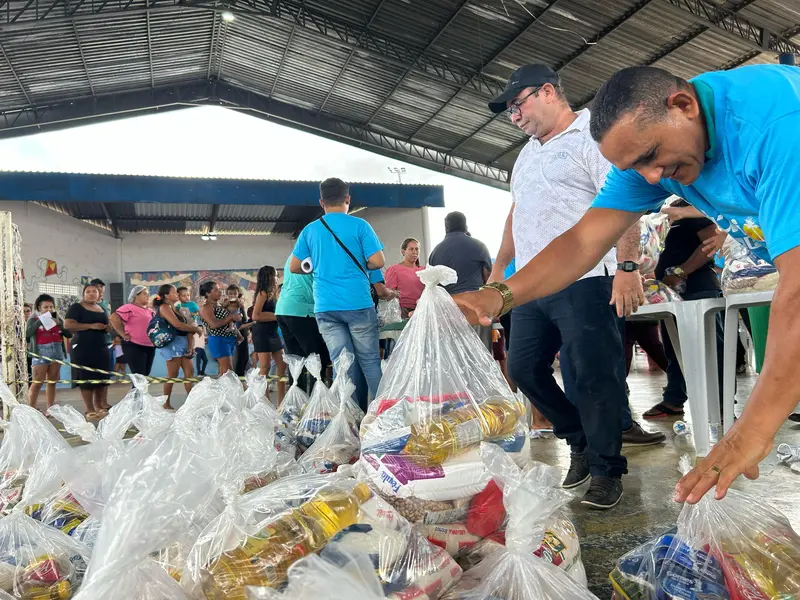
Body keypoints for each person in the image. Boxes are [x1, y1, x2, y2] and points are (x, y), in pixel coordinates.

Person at [455, 63, 800, 505]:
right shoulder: (644, 155)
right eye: (638, 167)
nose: (653, 178)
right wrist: (499, 294)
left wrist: (751, 430)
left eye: (652, 155)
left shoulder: (774, 124)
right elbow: (582, 240)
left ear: (683, 105)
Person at [484, 64, 664, 508]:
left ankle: (606, 470)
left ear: (548, 92)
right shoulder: (526, 155)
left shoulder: (590, 136)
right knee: (523, 368)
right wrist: (498, 272)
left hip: (586, 277)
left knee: (592, 377)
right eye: (508, 111)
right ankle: (578, 438)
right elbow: (516, 215)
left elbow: (623, 199)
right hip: (531, 281)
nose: (514, 116)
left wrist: (626, 266)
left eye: (517, 104)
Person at [290, 177, 385, 411]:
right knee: (370, 361)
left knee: (343, 365)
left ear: (321, 202)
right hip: (358, 303)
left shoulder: (310, 230)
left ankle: (350, 420)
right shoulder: (360, 226)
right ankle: (385, 414)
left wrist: (319, 263)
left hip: (326, 307)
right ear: (348, 199)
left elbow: (295, 266)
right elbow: (377, 261)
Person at [643, 200, 726, 418]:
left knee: (710, 349)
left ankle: (722, 406)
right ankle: (674, 399)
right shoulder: (652, 214)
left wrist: (681, 271)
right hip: (668, 290)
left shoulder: (687, 205)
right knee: (674, 348)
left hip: (698, 288)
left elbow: (711, 244)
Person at [428, 212, 494, 353]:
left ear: (446, 227)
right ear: (465, 226)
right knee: (481, 353)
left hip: (448, 310)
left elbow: (433, 284)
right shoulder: (479, 246)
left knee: (455, 356)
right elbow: (489, 278)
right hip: (476, 308)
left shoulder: (435, 252)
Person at [276, 251, 330, 390]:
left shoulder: (293, 255)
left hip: (283, 308)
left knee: (295, 360)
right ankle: (316, 401)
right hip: (302, 309)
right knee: (315, 359)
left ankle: (295, 404)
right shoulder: (318, 254)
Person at [64, 283, 111, 418]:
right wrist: (91, 326)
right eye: (88, 291)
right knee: (86, 377)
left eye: (94, 291)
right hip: (83, 347)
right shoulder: (76, 308)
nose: (91, 294)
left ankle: (99, 405)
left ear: (99, 294)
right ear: (83, 294)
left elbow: (106, 324)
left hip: (101, 346)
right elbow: (68, 325)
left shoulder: (101, 308)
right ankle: (89, 408)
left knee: (101, 377)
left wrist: (108, 328)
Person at [153, 284, 203, 409]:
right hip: (172, 344)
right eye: (174, 292)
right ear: (166, 296)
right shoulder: (164, 307)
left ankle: (191, 402)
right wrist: (195, 329)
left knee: (189, 371)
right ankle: (166, 403)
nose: (177, 295)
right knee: (173, 374)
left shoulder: (175, 307)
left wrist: (190, 343)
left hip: (183, 342)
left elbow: (185, 324)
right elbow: (178, 325)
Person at [26, 294, 72, 411]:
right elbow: (27, 334)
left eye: (51, 307)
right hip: (40, 352)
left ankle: (50, 409)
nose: (49, 310)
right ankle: (31, 410)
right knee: (37, 382)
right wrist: (40, 321)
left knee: (52, 382)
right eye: (45, 307)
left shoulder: (58, 318)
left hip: (56, 352)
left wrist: (60, 324)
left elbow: (69, 334)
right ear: (39, 308)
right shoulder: (33, 319)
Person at [251, 265, 287, 404]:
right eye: (276, 275)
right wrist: (277, 316)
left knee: (282, 365)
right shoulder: (263, 293)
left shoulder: (274, 294)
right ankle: (265, 401)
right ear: (268, 277)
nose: (277, 278)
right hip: (262, 333)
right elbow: (255, 315)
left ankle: (281, 400)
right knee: (264, 367)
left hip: (273, 333)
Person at [109, 285, 156, 378]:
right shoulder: (129, 307)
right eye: (144, 294)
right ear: (135, 295)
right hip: (134, 345)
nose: (147, 296)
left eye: (148, 294)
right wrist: (122, 334)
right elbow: (113, 317)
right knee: (139, 376)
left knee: (145, 374)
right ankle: (138, 392)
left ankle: (140, 393)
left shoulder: (150, 311)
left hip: (150, 346)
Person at [198, 281, 241, 375]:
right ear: (208, 293)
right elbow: (213, 324)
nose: (220, 291)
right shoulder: (206, 307)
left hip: (229, 340)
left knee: (224, 372)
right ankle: (234, 389)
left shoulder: (220, 305)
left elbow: (228, 322)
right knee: (228, 371)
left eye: (220, 289)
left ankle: (223, 390)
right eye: (216, 290)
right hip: (219, 340)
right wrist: (231, 317)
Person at [384, 238, 425, 317]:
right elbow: (389, 293)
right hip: (403, 311)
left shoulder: (424, 270)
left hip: (422, 310)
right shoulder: (394, 270)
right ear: (403, 251)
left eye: (417, 249)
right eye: (411, 249)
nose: (414, 252)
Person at [90, 278, 114, 372]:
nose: (100, 288)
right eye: (97, 286)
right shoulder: (86, 304)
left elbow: (110, 319)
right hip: (92, 342)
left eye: (101, 286)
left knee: (106, 372)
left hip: (106, 341)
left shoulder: (107, 304)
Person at [175, 286, 199, 357]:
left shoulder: (192, 304)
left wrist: (195, 313)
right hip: (184, 323)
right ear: (178, 297)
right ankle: (192, 350)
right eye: (184, 296)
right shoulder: (179, 305)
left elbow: (198, 311)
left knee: (189, 333)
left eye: (188, 295)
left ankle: (190, 348)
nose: (187, 297)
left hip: (192, 322)